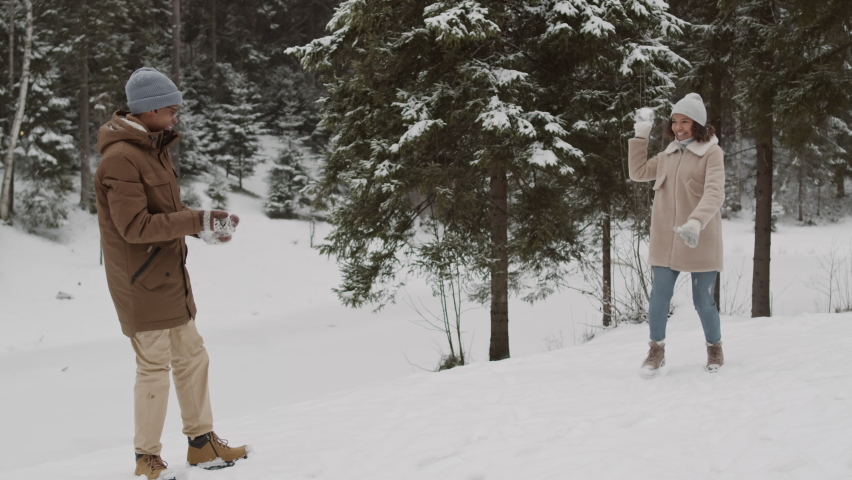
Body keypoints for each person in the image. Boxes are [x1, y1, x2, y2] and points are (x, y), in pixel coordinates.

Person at [94, 67, 249, 480]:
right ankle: (147, 457)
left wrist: (202, 230)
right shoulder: (120, 159)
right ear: (148, 111)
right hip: (140, 281)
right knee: (153, 366)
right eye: (170, 108)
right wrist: (197, 220)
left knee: (192, 356)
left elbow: (163, 217)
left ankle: (201, 444)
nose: (176, 114)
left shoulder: (150, 149)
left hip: (167, 276)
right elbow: (135, 228)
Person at [628, 93, 725, 378]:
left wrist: (696, 222)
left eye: (685, 121)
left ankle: (714, 347)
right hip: (666, 238)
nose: (679, 127)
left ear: (698, 124)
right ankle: (656, 350)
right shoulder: (668, 154)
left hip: (699, 236)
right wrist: (641, 134)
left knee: (703, 301)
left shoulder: (711, 153)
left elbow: (714, 192)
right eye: (675, 121)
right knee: (659, 296)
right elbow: (637, 172)